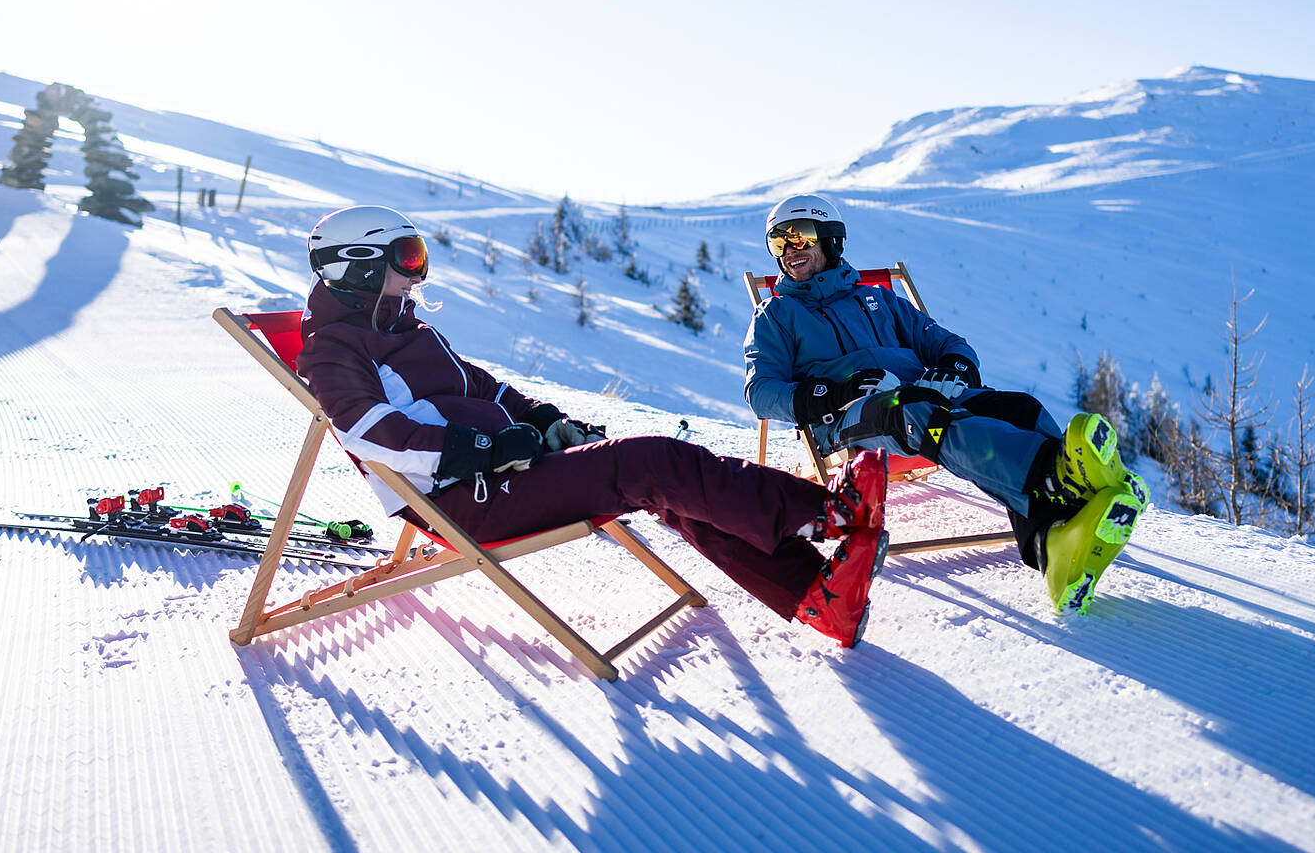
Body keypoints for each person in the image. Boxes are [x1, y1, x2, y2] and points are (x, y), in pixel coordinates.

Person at [294, 205, 891, 648]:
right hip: (466, 498)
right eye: (407, 258)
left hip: (506, 470)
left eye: (419, 255)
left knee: (662, 484)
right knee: (647, 463)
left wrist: (544, 421)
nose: (418, 273)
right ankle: (827, 514)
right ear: (357, 265)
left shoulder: (405, 327)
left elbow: (482, 387)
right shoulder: (333, 348)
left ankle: (818, 600)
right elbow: (368, 432)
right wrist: (481, 447)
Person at [742, 193, 1148, 612]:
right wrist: (834, 393)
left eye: (800, 237)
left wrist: (956, 367)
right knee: (918, 415)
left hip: (921, 394)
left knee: (1017, 408)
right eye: (779, 241)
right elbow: (761, 393)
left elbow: (947, 342)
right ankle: (1059, 478)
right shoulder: (776, 315)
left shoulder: (878, 299)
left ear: (830, 240)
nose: (790, 250)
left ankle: (1052, 538)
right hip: (851, 419)